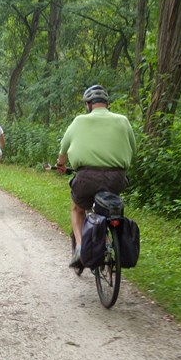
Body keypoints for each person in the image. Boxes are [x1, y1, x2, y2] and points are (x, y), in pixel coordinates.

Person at [56, 85, 136, 272]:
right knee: (109, 204)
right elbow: (133, 149)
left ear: (87, 104)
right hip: (117, 178)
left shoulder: (79, 121)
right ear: (107, 104)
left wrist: (60, 163)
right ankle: (108, 239)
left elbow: (63, 149)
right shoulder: (123, 121)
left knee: (77, 208)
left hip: (86, 177)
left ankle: (81, 247)